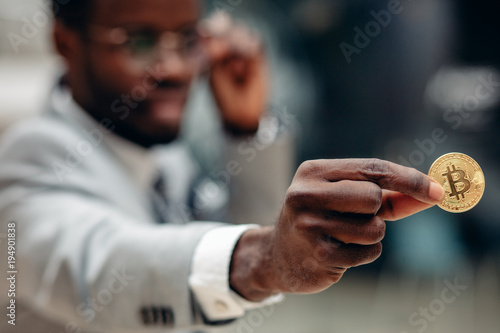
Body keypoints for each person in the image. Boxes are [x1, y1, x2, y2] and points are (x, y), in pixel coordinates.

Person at [0, 0, 445, 332]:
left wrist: (244, 127)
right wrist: (267, 259)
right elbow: (103, 271)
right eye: (138, 40)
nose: (173, 68)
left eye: (188, 40)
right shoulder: (29, 161)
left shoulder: (157, 150)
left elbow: (231, 243)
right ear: (64, 42)